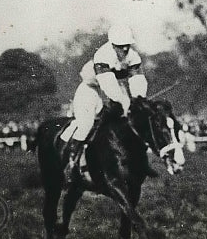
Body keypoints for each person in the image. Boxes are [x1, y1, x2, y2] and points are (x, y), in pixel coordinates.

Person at [61, 25, 147, 175]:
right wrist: (120, 102)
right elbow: (109, 87)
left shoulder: (133, 56)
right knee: (87, 124)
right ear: (113, 45)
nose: (125, 49)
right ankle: (72, 160)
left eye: (127, 45)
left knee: (128, 118)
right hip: (91, 88)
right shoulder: (103, 55)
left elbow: (137, 80)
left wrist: (139, 99)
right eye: (121, 46)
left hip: (116, 86)